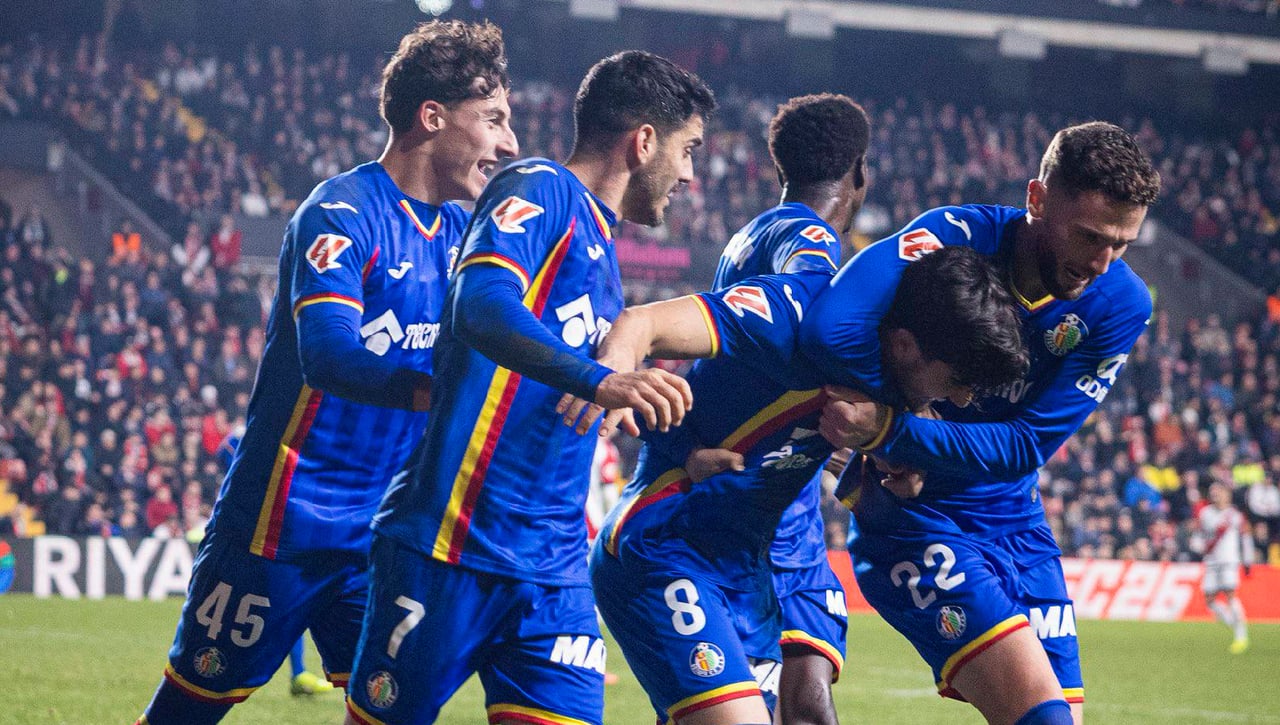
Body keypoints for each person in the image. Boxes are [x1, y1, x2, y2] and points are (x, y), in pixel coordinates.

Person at [135, 19, 518, 725]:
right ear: (433, 117)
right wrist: (444, 390)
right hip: (282, 527)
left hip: (383, 538)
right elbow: (330, 355)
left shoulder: (465, 238)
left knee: (390, 715)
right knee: (184, 713)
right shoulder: (342, 213)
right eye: (493, 119)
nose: (509, 143)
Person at [344, 51, 714, 725]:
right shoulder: (542, 187)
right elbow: (480, 303)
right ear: (644, 141)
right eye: (687, 150)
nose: (690, 174)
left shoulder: (601, 254)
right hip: (451, 547)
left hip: (554, 571)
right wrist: (600, 379)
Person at [801, 121, 1161, 725]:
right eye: (1090, 237)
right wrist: (899, 414)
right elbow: (827, 327)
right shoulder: (954, 236)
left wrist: (891, 432)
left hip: (1016, 521)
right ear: (1037, 199)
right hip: (912, 516)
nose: (1102, 264)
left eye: (1122, 245)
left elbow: (1025, 446)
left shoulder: (1121, 303)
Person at [575, 246, 1026, 725]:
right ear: (904, 346)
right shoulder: (791, 314)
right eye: (956, 379)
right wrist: (614, 368)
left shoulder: (896, 382)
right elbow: (643, 322)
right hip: (664, 545)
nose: (960, 398)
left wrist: (897, 462)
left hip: (747, 576)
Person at [707, 92, 869, 725]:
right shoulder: (810, 237)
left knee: (806, 704)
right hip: (762, 522)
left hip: (787, 512)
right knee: (745, 707)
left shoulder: (748, 235)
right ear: (859, 172)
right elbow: (808, 322)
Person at [1196, 481, 1253, 654]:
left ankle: (1241, 636)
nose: (1215, 495)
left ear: (1226, 494)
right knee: (1209, 599)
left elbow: (1246, 537)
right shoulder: (1205, 513)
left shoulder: (1234, 515)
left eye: (1218, 492)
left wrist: (1248, 560)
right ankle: (1231, 621)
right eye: (1212, 492)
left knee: (1230, 595)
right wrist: (1197, 544)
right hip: (1211, 561)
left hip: (1229, 561)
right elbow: (1200, 534)